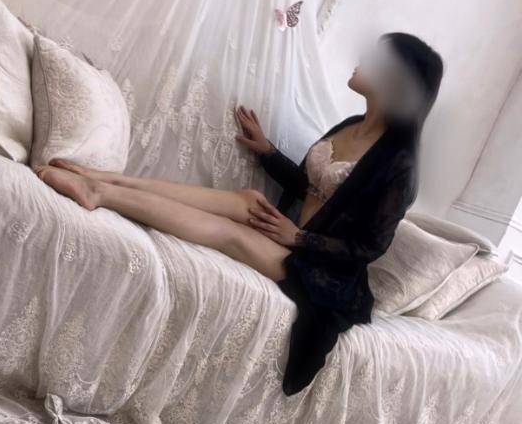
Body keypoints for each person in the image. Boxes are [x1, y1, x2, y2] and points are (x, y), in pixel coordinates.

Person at [35, 31, 444, 396]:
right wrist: (267, 152)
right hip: (290, 236)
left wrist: (298, 238)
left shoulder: (400, 165)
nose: (363, 59)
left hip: (321, 271)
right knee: (247, 198)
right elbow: (313, 187)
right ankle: (106, 179)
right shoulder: (351, 124)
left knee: (233, 233)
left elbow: (369, 246)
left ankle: (99, 195)